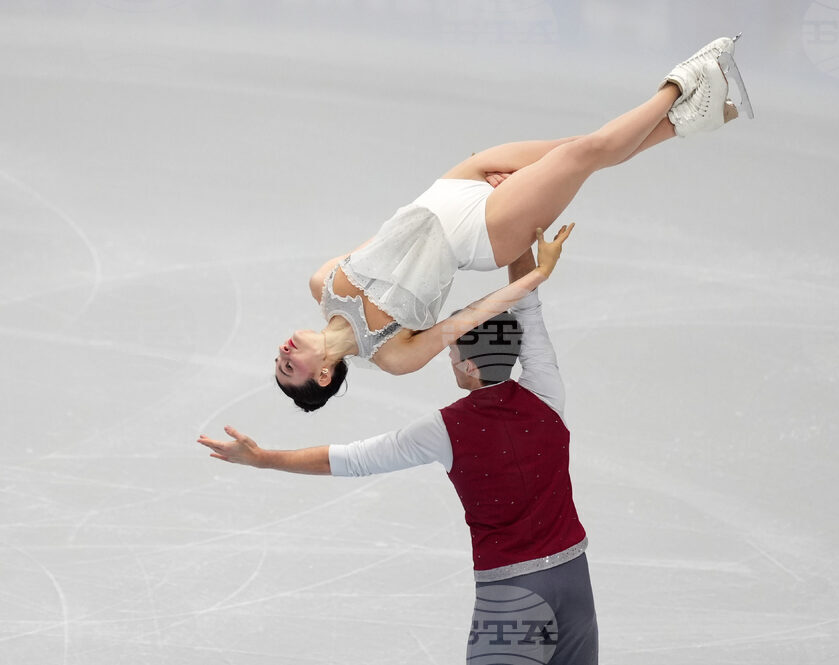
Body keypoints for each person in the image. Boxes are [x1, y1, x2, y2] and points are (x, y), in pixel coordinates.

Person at [275, 36, 750, 411]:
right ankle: (685, 81)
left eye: (278, 360)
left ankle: (700, 119)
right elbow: (471, 315)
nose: (283, 355)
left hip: (451, 187)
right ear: (321, 376)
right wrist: (534, 274)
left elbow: (392, 234)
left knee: (579, 146)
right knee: (582, 155)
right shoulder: (391, 356)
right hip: (483, 232)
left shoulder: (323, 283)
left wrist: (484, 185)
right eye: (287, 368)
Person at [200, 247, 599, 663]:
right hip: (575, 581)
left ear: (469, 367)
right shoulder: (546, 392)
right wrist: (523, 239)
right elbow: (528, 309)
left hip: (514, 596)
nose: (448, 355)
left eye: (453, 351)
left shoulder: (447, 429)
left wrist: (264, 457)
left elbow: (351, 459)